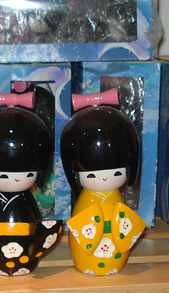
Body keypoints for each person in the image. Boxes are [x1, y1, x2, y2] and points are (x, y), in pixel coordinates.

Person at [0, 90, 62, 276]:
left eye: (28, 174)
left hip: (26, 248)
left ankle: (25, 262)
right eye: (3, 176)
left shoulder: (27, 199)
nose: (16, 180)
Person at [60, 88, 146, 275]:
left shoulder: (115, 196)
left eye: (116, 173)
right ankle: (86, 263)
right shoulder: (88, 198)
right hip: (88, 250)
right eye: (91, 175)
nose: (105, 178)